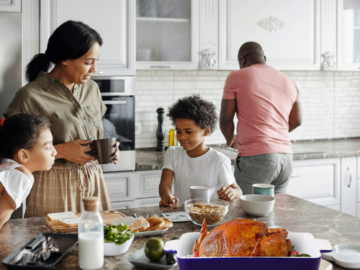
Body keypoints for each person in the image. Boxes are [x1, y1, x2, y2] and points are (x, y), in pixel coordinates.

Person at [4, 20, 118, 217]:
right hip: (52, 183)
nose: (94, 69)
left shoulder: (92, 89)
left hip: (94, 179)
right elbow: (9, 155)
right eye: (88, 62)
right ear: (65, 59)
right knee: (54, 244)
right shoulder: (30, 95)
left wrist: (106, 149)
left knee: (98, 241)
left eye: (96, 61)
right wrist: (60, 151)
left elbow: (96, 130)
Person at [220, 42, 302, 195]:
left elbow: (225, 119)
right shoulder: (289, 81)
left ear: (242, 60)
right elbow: (297, 121)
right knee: (276, 211)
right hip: (286, 159)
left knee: (244, 211)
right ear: (264, 57)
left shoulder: (237, 76)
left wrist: (230, 139)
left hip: (257, 157)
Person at [159, 95, 243, 206]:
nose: (182, 137)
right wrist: (166, 196)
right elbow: (165, 184)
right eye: (178, 131)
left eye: (188, 132)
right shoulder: (173, 153)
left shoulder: (219, 160)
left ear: (206, 131)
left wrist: (231, 192)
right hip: (181, 214)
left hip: (209, 216)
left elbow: (238, 191)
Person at [0, 114, 57, 227]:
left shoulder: (7, 166)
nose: (54, 152)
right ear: (24, 155)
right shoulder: (21, 176)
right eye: (48, 147)